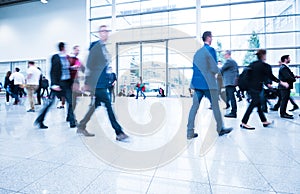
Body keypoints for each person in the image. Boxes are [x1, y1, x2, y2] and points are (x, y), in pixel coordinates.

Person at [77, 25, 129, 141]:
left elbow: (105, 67)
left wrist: (110, 79)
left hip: (102, 83)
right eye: (103, 31)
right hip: (97, 83)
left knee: (96, 105)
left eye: (107, 31)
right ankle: (119, 132)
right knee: (109, 107)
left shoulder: (104, 48)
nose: (106, 33)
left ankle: (81, 125)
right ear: (99, 33)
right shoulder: (96, 46)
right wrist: (86, 83)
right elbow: (90, 65)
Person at [187, 31, 233, 139]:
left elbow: (195, 68)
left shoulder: (197, 52)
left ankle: (189, 132)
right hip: (208, 84)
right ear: (208, 38)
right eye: (211, 37)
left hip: (197, 84)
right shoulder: (211, 50)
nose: (212, 39)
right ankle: (220, 128)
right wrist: (218, 70)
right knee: (215, 106)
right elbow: (213, 67)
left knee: (194, 107)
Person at [240, 49, 288, 130]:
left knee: (258, 105)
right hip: (256, 88)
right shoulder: (265, 66)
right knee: (253, 104)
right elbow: (271, 76)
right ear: (263, 56)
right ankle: (244, 122)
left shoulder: (252, 64)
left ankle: (264, 121)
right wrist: (282, 83)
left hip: (251, 88)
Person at [34, 42, 76, 129]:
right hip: (58, 84)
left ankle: (72, 121)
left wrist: (72, 68)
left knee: (71, 102)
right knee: (50, 103)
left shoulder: (66, 58)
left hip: (67, 83)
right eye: (65, 48)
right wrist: (54, 84)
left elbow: (65, 69)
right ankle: (40, 120)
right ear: (62, 48)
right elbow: (53, 71)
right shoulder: (56, 57)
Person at [220, 50, 239, 118]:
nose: (224, 56)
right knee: (229, 95)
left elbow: (221, 69)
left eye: (225, 54)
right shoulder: (233, 62)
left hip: (229, 82)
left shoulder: (229, 61)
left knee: (232, 97)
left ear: (228, 54)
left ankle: (233, 112)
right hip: (231, 82)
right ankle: (228, 105)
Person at [278, 55, 297, 119]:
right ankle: (283, 114)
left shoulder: (284, 67)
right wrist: (294, 79)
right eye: (289, 58)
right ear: (285, 59)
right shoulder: (284, 68)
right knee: (284, 100)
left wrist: (293, 76)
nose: (290, 60)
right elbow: (288, 77)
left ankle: (284, 113)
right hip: (284, 87)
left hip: (285, 87)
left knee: (285, 100)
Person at [68, 45, 85, 111]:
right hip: (70, 80)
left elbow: (83, 68)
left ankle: (70, 115)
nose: (78, 52)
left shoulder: (78, 60)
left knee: (74, 99)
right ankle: (70, 115)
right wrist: (72, 67)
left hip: (75, 80)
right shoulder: (69, 58)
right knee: (71, 99)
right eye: (77, 50)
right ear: (74, 50)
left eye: (79, 50)